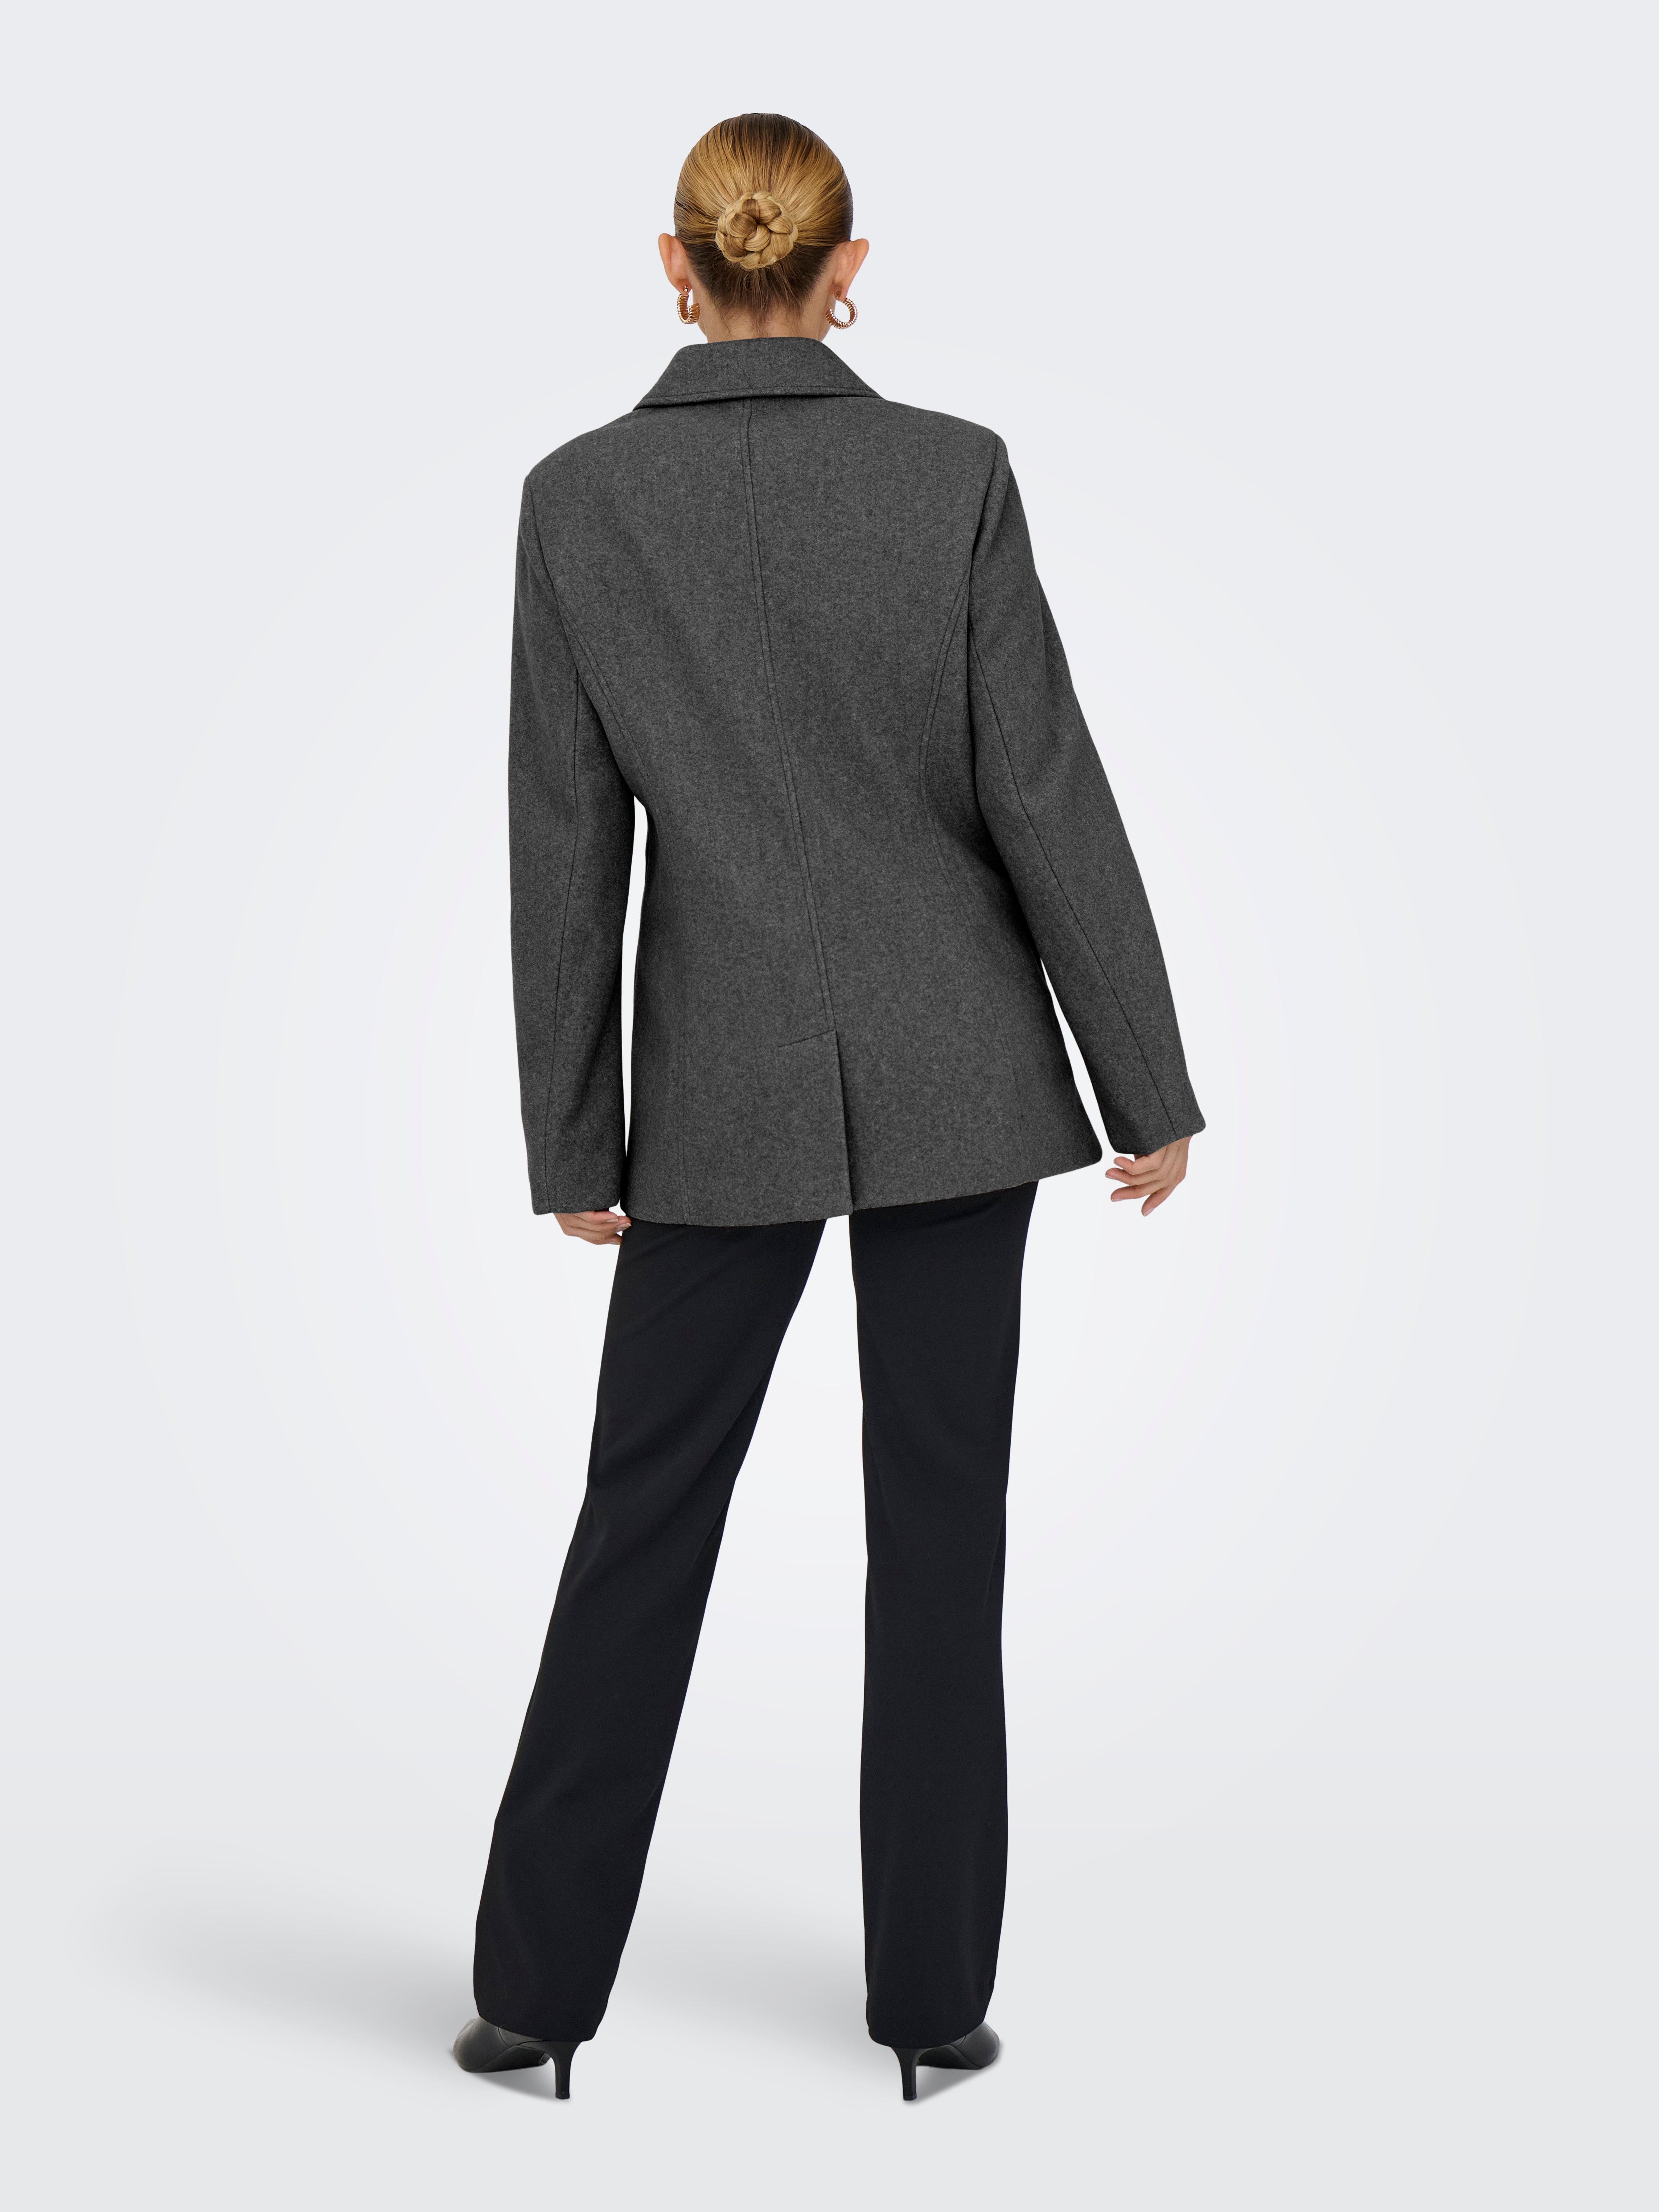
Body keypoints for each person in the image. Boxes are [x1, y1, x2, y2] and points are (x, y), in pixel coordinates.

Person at [452, 111, 1203, 2104]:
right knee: (944, 1531)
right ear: (847, 267)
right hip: (965, 1071)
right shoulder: (952, 474)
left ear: (676, 266)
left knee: (641, 1520)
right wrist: (1143, 1079)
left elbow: (564, 840)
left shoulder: (579, 500)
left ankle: (534, 2001)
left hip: (718, 1086)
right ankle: (933, 2008)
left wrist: (574, 1135)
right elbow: (1044, 786)